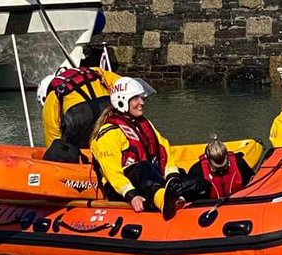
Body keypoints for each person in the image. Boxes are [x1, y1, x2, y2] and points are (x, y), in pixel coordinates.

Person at [90, 76, 186, 216]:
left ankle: (176, 196)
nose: (142, 102)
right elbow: (113, 173)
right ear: (122, 100)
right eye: (136, 99)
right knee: (143, 167)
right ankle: (163, 201)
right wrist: (132, 195)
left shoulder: (144, 124)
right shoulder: (108, 134)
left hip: (148, 179)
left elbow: (164, 150)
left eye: (142, 98)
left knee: (188, 177)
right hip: (121, 188)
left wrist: (173, 178)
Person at [37, 65, 115, 162]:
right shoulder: (92, 71)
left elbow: (53, 138)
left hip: (79, 114)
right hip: (106, 105)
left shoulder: (52, 96)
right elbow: (118, 81)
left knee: (66, 148)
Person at [183, 135, 254, 201]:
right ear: (208, 159)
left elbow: (252, 181)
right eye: (216, 167)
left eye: (223, 166)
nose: (220, 171)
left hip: (238, 204)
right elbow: (188, 196)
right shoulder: (197, 170)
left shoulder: (239, 162)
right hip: (210, 208)